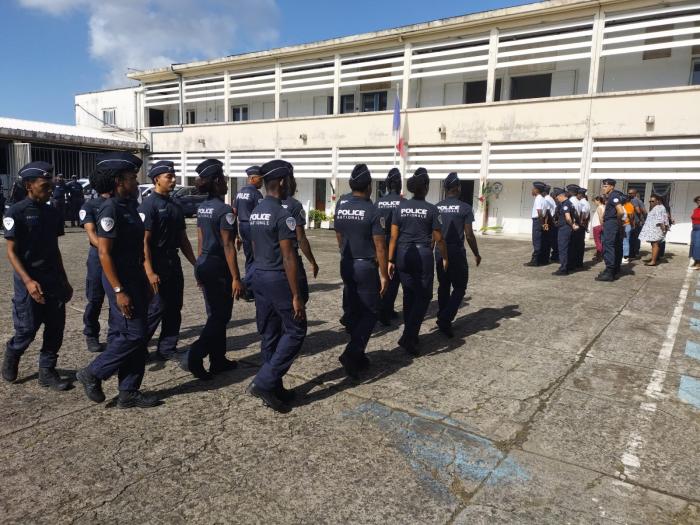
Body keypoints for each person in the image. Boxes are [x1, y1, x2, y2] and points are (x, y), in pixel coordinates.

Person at [76, 152, 160, 409]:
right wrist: (119, 290)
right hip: (120, 280)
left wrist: (144, 277)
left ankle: (128, 391)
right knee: (135, 335)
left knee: (129, 334)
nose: (136, 182)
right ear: (118, 181)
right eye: (132, 178)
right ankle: (93, 372)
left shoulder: (130, 207)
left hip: (135, 277)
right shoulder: (110, 209)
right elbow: (104, 253)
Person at [2, 161, 72, 390]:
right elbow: (11, 252)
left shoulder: (53, 213)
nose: (50, 188)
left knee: (55, 327)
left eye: (50, 183)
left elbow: (54, 249)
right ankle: (13, 353)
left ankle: (47, 372)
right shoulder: (16, 212)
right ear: (29, 185)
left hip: (52, 278)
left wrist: (64, 279)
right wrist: (28, 281)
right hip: (28, 279)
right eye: (44, 184)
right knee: (27, 329)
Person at [246, 159, 307, 413]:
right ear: (282, 181)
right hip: (276, 277)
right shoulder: (283, 214)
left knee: (270, 332)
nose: (293, 183)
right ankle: (264, 381)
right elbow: (289, 257)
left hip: (257, 274)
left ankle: (273, 385)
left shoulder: (256, 211)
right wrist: (296, 295)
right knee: (296, 329)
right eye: (291, 178)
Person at [184, 159, 243, 380]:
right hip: (219, 268)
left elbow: (200, 240)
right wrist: (236, 278)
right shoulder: (225, 210)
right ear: (217, 181)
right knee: (221, 316)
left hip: (205, 264)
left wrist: (198, 267)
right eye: (224, 178)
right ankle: (195, 355)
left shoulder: (203, 208)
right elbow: (229, 246)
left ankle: (218, 360)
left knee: (214, 314)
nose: (227, 181)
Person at [333, 164, 389, 378]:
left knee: (355, 309)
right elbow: (380, 246)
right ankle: (352, 352)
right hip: (365, 266)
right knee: (370, 311)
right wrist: (383, 275)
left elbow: (338, 233)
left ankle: (358, 354)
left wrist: (344, 251)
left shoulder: (342, 204)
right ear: (368, 186)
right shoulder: (373, 210)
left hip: (346, 263)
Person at [139, 161, 197, 361]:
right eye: (168, 177)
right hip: (156, 262)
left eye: (173, 176)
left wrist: (195, 263)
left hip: (173, 262)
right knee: (156, 308)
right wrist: (149, 271)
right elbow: (143, 242)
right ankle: (137, 347)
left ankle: (167, 348)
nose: (173, 180)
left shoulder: (174, 205)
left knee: (174, 306)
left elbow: (182, 238)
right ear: (157, 180)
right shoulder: (148, 205)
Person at [388, 167, 448, 356]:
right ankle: (408, 335)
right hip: (422, 256)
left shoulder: (400, 207)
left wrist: (390, 260)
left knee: (408, 295)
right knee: (424, 297)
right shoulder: (431, 209)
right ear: (427, 187)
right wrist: (445, 257)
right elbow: (438, 238)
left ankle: (411, 336)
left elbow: (393, 237)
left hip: (402, 255)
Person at [435, 173, 481, 337]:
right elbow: (469, 234)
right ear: (458, 188)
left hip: (439, 251)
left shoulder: (437, 206)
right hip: (456, 252)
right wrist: (476, 253)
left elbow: (433, 233)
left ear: (446, 189)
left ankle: (442, 315)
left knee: (444, 285)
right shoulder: (465, 207)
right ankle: (445, 319)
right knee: (460, 287)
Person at [79, 180, 112, 353]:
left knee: (117, 298)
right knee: (95, 298)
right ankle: (91, 334)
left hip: (118, 257)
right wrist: (106, 250)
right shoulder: (90, 205)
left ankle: (116, 336)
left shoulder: (122, 203)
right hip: (98, 257)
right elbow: (91, 234)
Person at [282, 166, 318, 301]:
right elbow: (301, 238)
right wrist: (313, 262)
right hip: (291, 258)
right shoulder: (294, 205)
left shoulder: (262, 205)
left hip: (268, 262)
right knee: (301, 296)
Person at [376, 168, 404, 325]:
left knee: (381, 275)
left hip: (379, 242)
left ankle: (384, 308)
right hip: (397, 243)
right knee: (393, 278)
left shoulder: (378, 202)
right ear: (400, 184)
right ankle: (385, 311)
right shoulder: (404, 203)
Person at [233, 166, 264, 301]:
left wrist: (236, 234)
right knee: (259, 258)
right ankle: (246, 285)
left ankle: (250, 288)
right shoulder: (256, 194)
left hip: (242, 227)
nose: (262, 182)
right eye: (260, 179)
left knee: (250, 258)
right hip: (253, 227)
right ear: (252, 178)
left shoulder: (239, 193)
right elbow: (261, 213)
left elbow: (234, 213)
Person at [596, 179, 626, 282]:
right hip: (612, 223)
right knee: (615, 245)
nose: (603, 188)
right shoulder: (611, 196)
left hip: (611, 223)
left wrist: (616, 219)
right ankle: (613, 270)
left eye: (605, 186)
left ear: (611, 187)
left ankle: (609, 272)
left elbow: (621, 212)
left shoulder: (614, 196)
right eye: (603, 186)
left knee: (608, 246)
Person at [552, 187, 580, 276]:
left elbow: (568, 218)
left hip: (564, 228)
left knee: (563, 249)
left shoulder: (565, 204)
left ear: (560, 196)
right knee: (568, 248)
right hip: (567, 228)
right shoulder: (570, 203)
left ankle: (563, 269)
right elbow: (576, 215)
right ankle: (568, 266)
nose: (557, 199)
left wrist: (572, 225)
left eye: (557, 197)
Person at [638, 194, 669, 266]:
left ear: (657, 201)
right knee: (654, 244)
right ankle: (654, 258)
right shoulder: (658, 207)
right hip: (654, 229)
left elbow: (660, 220)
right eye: (650, 201)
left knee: (655, 244)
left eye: (652, 201)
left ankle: (653, 261)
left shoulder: (658, 208)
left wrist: (663, 230)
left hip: (656, 229)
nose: (650, 202)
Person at [525, 182, 548, 266]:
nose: (532, 190)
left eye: (533, 189)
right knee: (540, 240)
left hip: (538, 221)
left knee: (536, 241)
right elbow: (546, 213)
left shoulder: (538, 198)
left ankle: (535, 261)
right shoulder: (543, 199)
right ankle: (540, 259)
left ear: (537, 190)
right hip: (540, 221)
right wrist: (544, 223)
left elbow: (539, 212)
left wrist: (541, 223)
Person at [627, 188, 646, 259]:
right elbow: (644, 211)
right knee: (637, 238)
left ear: (635, 193)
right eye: (628, 193)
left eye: (631, 193)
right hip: (639, 222)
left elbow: (638, 211)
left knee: (632, 238)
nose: (629, 194)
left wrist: (640, 219)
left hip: (636, 222)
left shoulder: (634, 200)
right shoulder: (639, 200)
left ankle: (632, 254)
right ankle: (636, 252)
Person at [543, 185, 558, 262]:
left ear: (544, 192)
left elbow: (547, 212)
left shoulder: (546, 199)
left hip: (549, 222)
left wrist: (545, 223)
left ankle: (548, 257)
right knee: (552, 240)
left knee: (548, 240)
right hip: (552, 221)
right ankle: (554, 256)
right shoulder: (550, 198)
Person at [577, 188, 590, 268]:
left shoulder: (582, 202)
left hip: (581, 224)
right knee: (581, 244)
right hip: (584, 224)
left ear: (580, 195)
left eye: (578, 194)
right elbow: (588, 216)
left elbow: (583, 213)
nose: (577, 196)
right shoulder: (587, 202)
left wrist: (580, 222)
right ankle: (579, 262)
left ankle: (578, 263)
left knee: (578, 244)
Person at [621, 196, 636, 265]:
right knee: (624, 241)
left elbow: (630, 216)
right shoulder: (624, 205)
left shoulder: (629, 205)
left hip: (626, 225)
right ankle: (623, 255)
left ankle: (625, 257)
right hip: (624, 225)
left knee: (625, 241)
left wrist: (632, 225)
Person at [590, 196, 606, 263]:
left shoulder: (599, 207)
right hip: (601, 226)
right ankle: (600, 254)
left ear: (598, 200)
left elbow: (601, 217)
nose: (595, 203)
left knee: (597, 241)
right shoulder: (604, 206)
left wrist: (602, 225)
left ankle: (599, 256)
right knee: (602, 241)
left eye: (595, 201)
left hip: (597, 226)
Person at [690, 196, 700, 270]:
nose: (699, 201)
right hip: (694, 229)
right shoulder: (695, 209)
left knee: (698, 245)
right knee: (693, 245)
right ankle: (695, 261)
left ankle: (699, 263)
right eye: (697, 200)